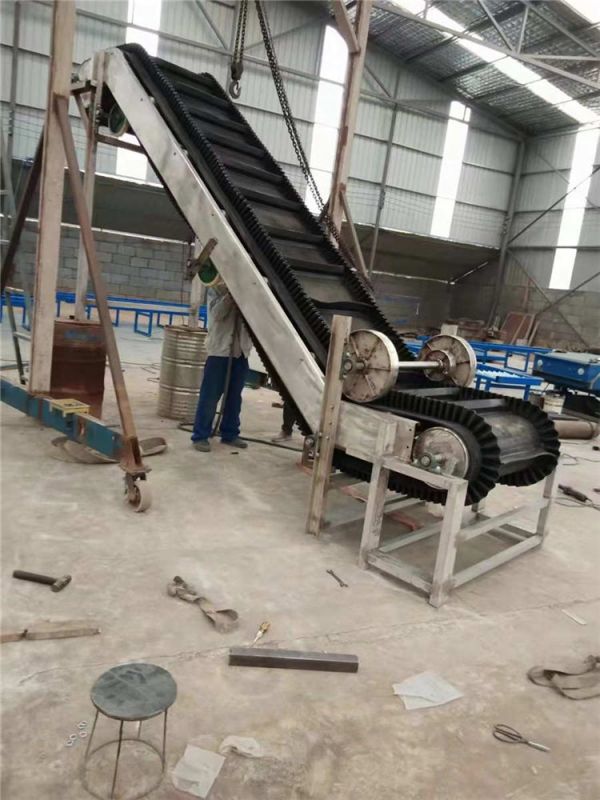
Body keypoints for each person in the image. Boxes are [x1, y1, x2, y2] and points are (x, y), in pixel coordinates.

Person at [191, 288, 252, 452]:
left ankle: (230, 433)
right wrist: (231, 296)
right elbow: (217, 314)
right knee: (210, 396)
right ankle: (200, 436)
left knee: (234, 397)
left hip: (241, 353)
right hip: (219, 353)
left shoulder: (250, 291)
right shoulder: (216, 289)